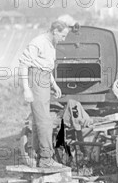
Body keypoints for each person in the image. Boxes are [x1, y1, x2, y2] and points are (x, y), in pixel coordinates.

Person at [18, 15, 78, 168]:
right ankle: (46, 158)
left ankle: (38, 155)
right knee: (45, 121)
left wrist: (54, 84)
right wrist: (26, 89)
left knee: (39, 120)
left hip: (44, 79)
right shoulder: (38, 42)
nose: (64, 39)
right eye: (63, 35)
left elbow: (46, 67)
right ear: (55, 31)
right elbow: (24, 65)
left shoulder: (51, 44)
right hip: (35, 80)